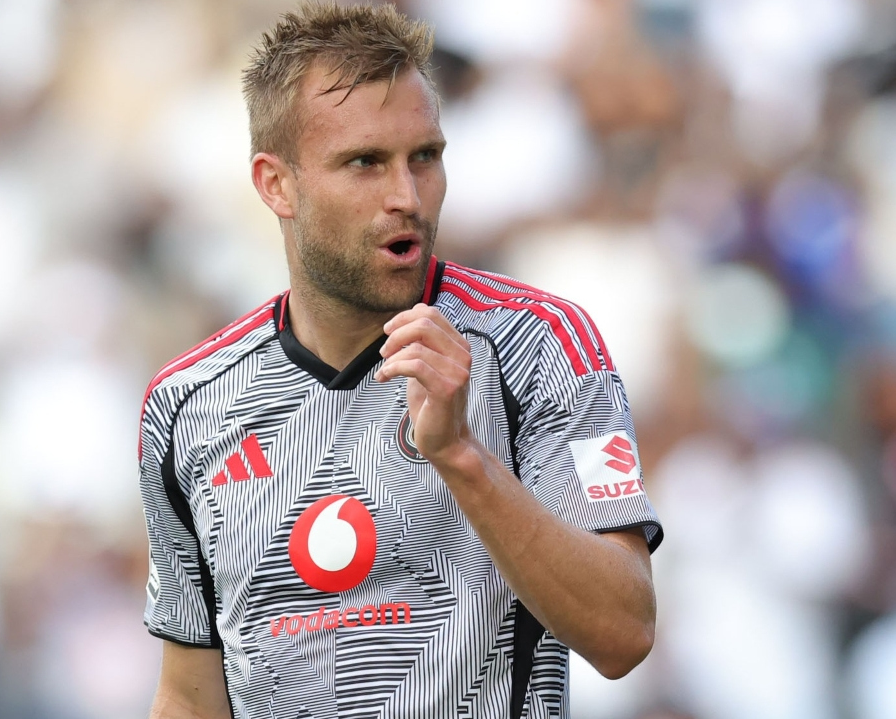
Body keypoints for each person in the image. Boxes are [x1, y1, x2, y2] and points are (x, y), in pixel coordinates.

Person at [139, 4, 662, 717]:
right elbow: (191, 696)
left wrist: (462, 455)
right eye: (364, 163)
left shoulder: (541, 344)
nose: (406, 197)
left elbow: (623, 630)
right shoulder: (188, 404)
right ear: (276, 183)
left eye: (425, 156)